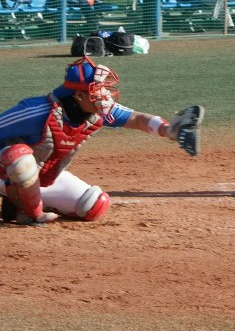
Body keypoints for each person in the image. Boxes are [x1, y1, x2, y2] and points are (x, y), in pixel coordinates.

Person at [0, 56, 203, 225]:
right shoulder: (35, 111)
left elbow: (137, 119)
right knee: (20, 158)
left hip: (38, 179)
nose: (104, 95)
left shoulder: (95, 111)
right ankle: (33, 213)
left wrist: (170, 131)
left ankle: (17, 204)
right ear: (79, 95)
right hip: (7, 172)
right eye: (97, 90)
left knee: (93, 205)